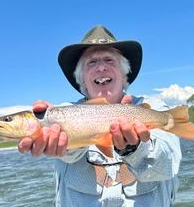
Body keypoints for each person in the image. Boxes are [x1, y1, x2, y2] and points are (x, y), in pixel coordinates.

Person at [18, 25, 182, 206]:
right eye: (92, 62)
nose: (101, 68)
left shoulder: (154, 108)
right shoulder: (63, 112)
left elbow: (168, 166)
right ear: (82, 79)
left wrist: (136, 148)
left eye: (109, 60)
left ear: (124, 73)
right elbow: (68, 155)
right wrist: (62, 136)